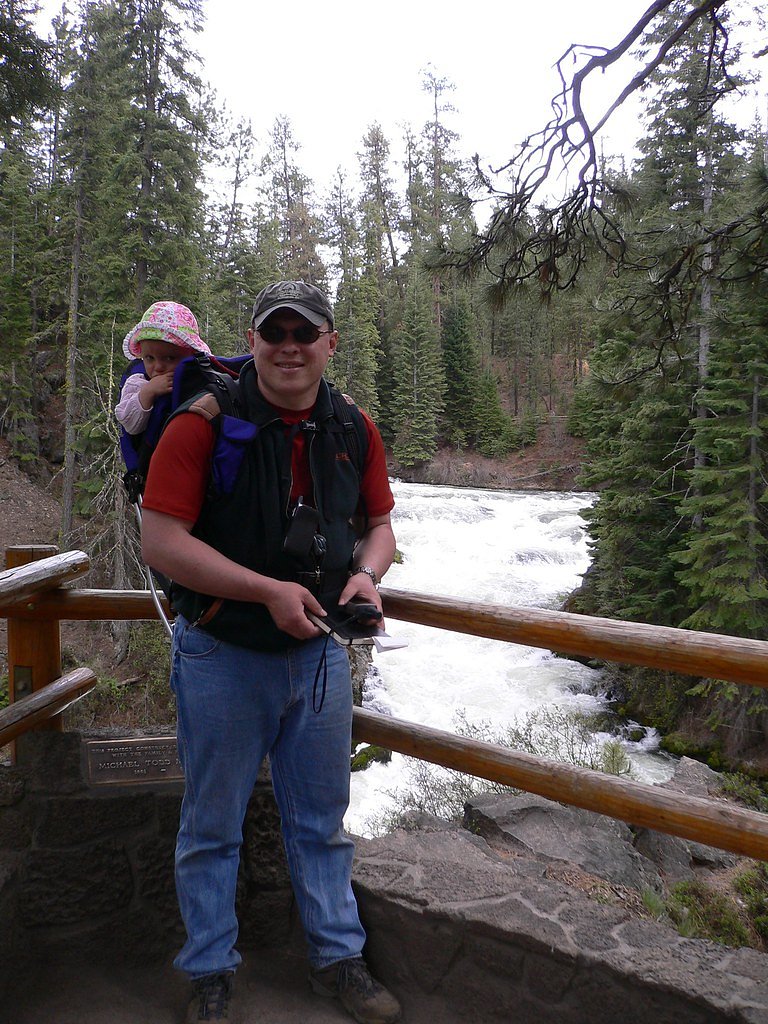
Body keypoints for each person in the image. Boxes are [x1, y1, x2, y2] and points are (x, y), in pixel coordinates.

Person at [141, 281, 401, 1024]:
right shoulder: (201, 424)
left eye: (305, 332)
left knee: (321, 820)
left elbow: (380, 525)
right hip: (221, 652)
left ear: (330, 343)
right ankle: (209, 972)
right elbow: (161, 542)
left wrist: (366, 574)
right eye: (275, 332)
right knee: (211, 825)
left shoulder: (353, 427)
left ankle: (338, 959)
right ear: (251, 341)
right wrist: (265, 591)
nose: (290, 346)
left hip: (319, 656)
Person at [115, 300, 211, 435]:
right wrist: (148, 392)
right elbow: (129, 425)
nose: (158, 367)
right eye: (150, 358)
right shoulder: (137, 383)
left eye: (170, 358)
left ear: (192, 354)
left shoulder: (200, 379)